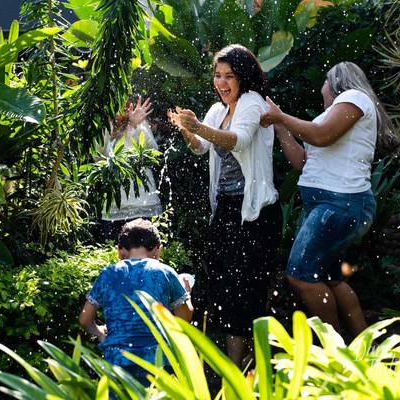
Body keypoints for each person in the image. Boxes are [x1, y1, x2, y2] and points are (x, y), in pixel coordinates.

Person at [259, 61, 399, 338]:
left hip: (339, 204)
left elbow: (320, 137)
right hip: (332, 206)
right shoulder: (334, 116)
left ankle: (335, 353)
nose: (320, 90)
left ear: (335, 83)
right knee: (329, 279)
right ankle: (362, 350)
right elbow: (301, 162)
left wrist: (282, 116)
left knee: (300, 276)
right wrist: (279, 127)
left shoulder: (355, 97)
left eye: (323, 83)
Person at [166, 44, 281, 368]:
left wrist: (198, 127)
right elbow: (203, 147)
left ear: (243, 77)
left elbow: (238, 140)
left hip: (256, 213)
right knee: (219, 282)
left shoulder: (252, 103)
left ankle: (245, 367)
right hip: (228, 211)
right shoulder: (218, 111)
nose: (221, 82)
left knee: (245, 289)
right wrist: (189, 131)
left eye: (229, 76)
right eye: (217, 75)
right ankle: (236, 363)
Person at [79, 218, 193, 385]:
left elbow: (84, 320)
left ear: (120, 251)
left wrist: (100, 334)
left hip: (118, 362)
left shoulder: (108, 274)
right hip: (158, 362)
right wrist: (187, 293)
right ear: (157, 250)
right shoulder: (165, 272)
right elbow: (184, 318)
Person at [98, 96, 163, 242]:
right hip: (114, 203)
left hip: (142, 201)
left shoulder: (140, 123)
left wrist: (134, 126)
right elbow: (100, 158)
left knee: (147, 250)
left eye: (124, 106)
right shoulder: (104, 126)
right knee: (114, 249)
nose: (121, 111)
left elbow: (153, 152)